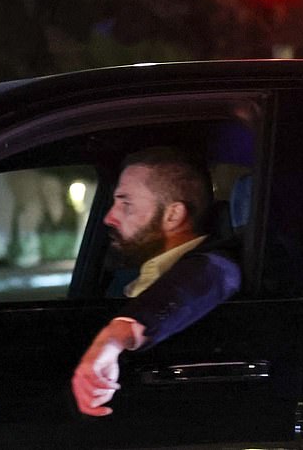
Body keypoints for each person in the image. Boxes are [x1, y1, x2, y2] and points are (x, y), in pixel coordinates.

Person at [71, 146, 242, 416]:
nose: (109, 217)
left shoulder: (215, 264)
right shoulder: (129, 273)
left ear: (173, 215)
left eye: (125, 204)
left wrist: (113, 339)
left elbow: (208, 276)